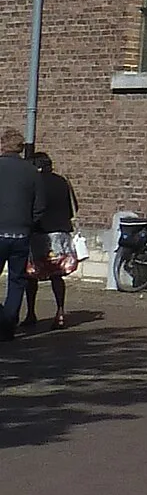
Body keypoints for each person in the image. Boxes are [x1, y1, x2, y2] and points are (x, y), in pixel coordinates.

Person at [0, 128, 45, 343]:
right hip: (21, 234)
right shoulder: (31, 172)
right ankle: (8, 324)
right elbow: (40, 206)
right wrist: (29, 222)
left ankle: (3, 318)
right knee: (17, 281)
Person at [23, 148, 75, 329]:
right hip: (61, 233)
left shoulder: (34, 182)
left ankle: (30, 313)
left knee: (31, 274)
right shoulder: (62, 181)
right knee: (57, 275)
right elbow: (72, 208)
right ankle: (60, 312)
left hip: (40, 232)